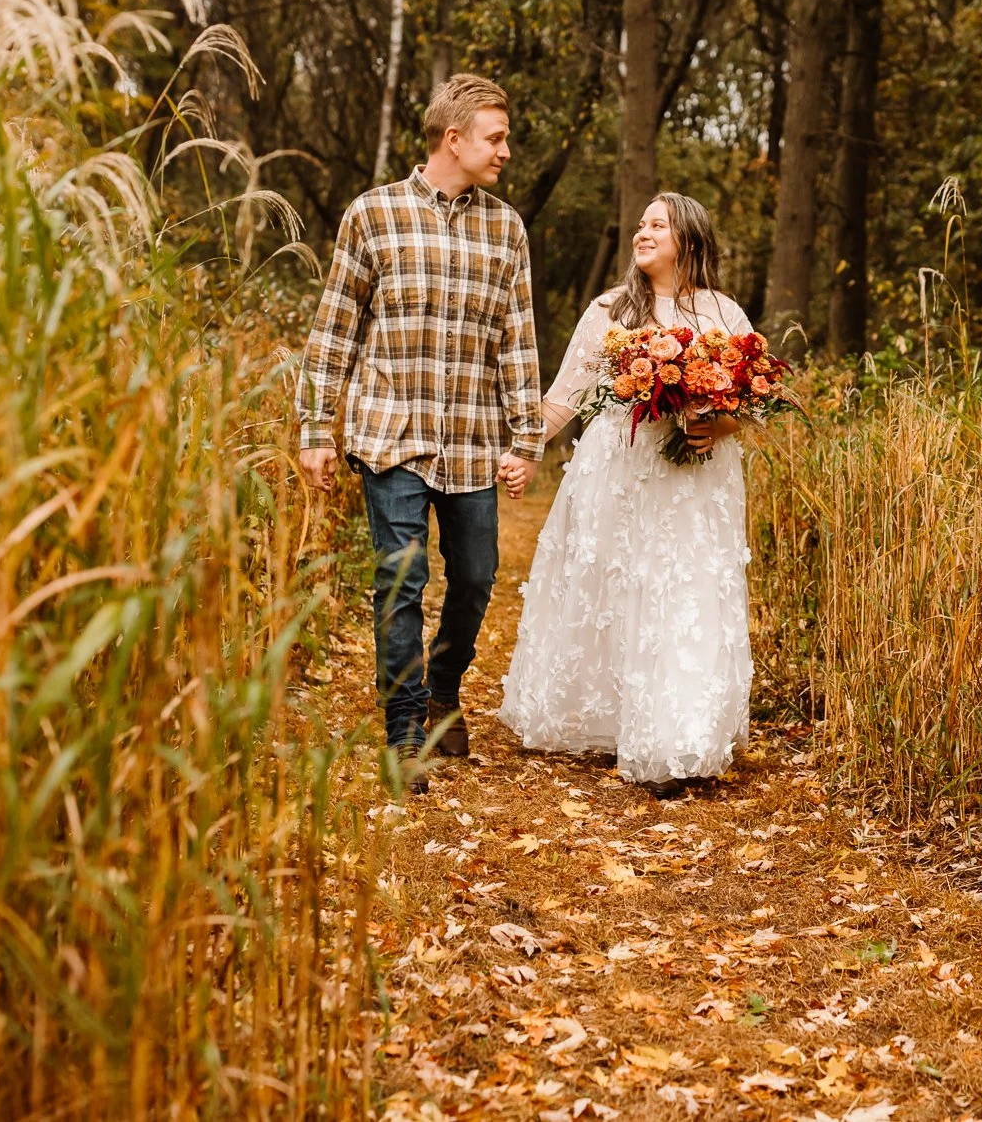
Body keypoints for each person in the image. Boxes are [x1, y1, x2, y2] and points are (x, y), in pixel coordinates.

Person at [296, 74, 543, 789]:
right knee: (400, 580)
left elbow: (517, 342)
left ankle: (441, 686)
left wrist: (524, 439)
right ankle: (405, 736)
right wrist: (316, 425)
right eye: (496, 137)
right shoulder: (373, 215)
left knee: (474, 579)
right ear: (454, 138)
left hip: (471, 438)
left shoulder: (507, 229)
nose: (505, 149)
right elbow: (334, 329)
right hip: (390, 432)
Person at [496, 192, 757, 799]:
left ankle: (680, 733)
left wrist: (712, 425)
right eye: (640, 224)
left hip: (696, 474)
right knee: (620, 586)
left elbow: (748, 404)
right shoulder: (612, 310)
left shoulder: (726, 315)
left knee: (686, 587)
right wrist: (525, 448)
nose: (643, 233)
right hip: (621, 465)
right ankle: (618, 718)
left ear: (688, 238)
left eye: (657, 225)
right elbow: (565, 394)